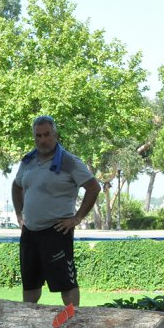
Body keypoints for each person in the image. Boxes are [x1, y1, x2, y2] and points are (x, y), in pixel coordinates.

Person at [12, 115, 100, 307]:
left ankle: (72, 324)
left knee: (66, 284)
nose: (43, 140)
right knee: (30, 284)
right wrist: (19, 215)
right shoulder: (27, 161)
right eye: (38, 136)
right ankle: (29, 323)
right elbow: (16, 185)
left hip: (57, 232)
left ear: (55, 135)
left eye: (47, 135)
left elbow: (93, 187)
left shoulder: (69, 161)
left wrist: (77, 219)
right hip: (30, 232)